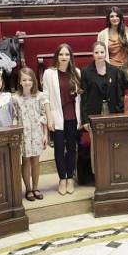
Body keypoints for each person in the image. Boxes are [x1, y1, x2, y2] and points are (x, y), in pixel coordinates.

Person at [42, 44, 83, 196]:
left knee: (72, 148)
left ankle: (70, 177)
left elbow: (80, 96)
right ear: (57, 56)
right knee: (59, 148)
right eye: (61, 54)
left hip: (73, 115)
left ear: (70, 56)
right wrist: (49, 118)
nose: (64, 57)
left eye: (67, 54)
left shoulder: (76, 72)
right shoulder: (49, 73)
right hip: (56, 116)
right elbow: (45, 98)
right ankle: (62, 179)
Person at [81, 41, 124, 178]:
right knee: (96, 145)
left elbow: (118, 95)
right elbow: (84, 97)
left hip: (111, 112)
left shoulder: (114, 70)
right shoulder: (86, 72)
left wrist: (119, 114)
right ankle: (98, 174)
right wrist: (85, 119)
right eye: (96, 52)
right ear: (92, 54)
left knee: (113, 142)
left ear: (106, 53)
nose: (99, 55)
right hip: (95, 113)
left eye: (102, 52)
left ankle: (114, 171)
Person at [12, 67, 50, 202]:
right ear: (20, 82)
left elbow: (43, 116)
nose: (27, 82)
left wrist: (45, 135)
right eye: (24, 80)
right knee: (26, 161)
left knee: (36, 161)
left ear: (33, 81)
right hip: (24, 134)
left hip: (37, 133)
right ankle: (28, 189)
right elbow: (15, 118)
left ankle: (35, 187)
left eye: (29, 79)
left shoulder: (40, 96)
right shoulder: (15, 98)